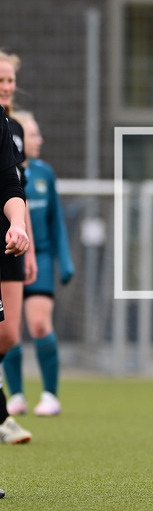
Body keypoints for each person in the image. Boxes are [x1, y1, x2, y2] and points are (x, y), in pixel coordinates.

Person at [2, 112, 73, 416]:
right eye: (33, 135)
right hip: (8, 250)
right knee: (9, 332)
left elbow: (56, 220)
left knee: (40, 324)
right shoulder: (14, 168)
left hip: (40, 255)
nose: (37, 140)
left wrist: (64, 261)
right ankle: (15, 394)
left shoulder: (44, 174)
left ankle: (50, 395)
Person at [0, 51, 36, 447]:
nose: (7, 87)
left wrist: (21, 231)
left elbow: (13, 186)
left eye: (10, 80)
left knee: (8, 334)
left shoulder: (12, 128)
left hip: (9, 241)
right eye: (1, 80)